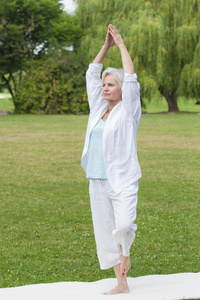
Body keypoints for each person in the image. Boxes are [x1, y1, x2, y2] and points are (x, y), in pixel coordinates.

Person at [81, 24, 142, 295]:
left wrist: (120, 44)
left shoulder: (128, 111)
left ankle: (126, 253)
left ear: (120, 89)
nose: (104, 88)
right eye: (103, 85)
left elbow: (131, 77)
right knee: (106, 233)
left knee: (124, 225)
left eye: (110, 84)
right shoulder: (98, 109)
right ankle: (122, 283)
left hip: (123, 178)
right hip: (97, 180)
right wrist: (104, 46)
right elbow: (92, 72)